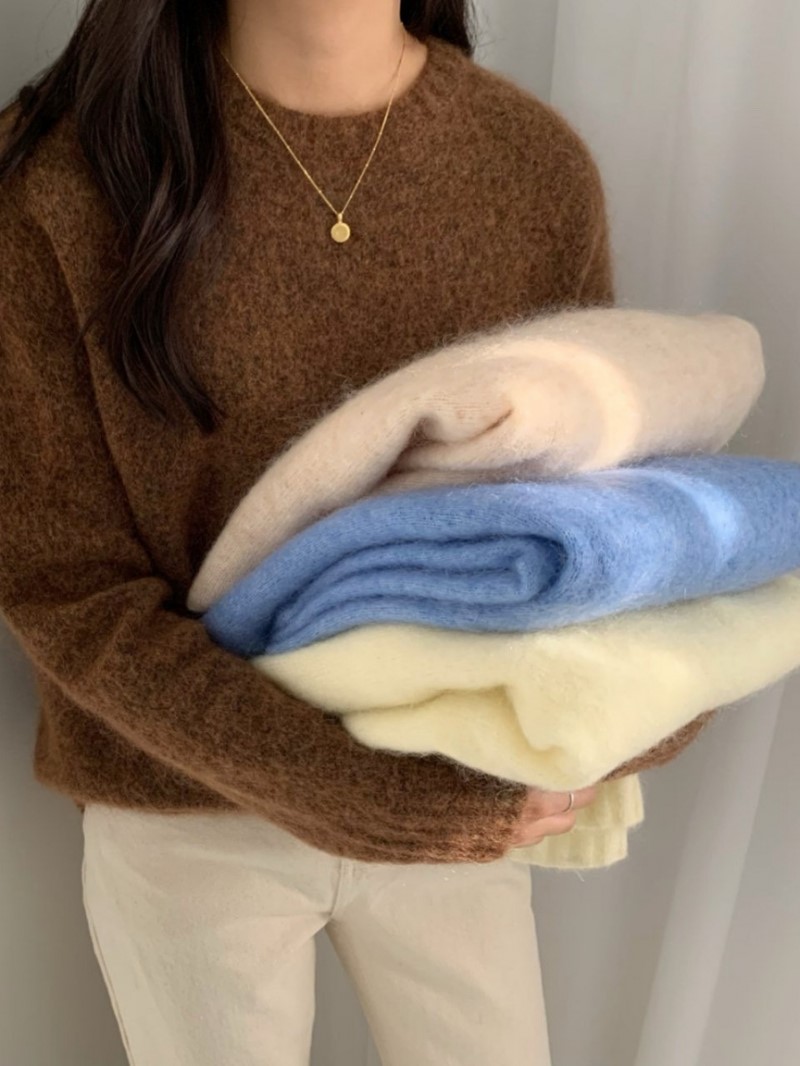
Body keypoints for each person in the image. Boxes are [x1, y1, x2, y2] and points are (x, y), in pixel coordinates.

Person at [0, 1, 716, 1063]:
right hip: (189, 805)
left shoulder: (529, 167)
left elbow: (582, 526)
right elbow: (65, 583)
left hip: (455, 781)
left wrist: (621, 715)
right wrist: (362, 792)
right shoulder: (69, 187)